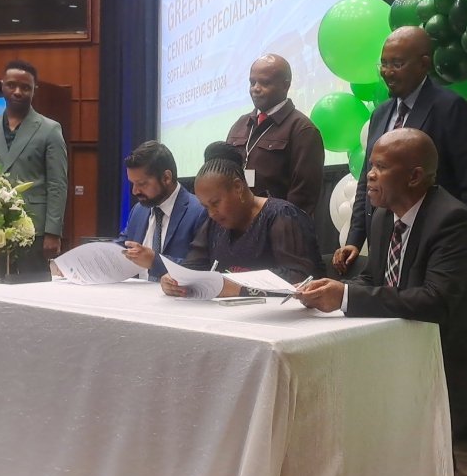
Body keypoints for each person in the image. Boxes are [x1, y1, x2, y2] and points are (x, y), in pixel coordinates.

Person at [295, 129, 467, 431]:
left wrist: (345, 297)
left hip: (444, 359)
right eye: (370, 167)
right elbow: (373, 277)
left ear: (414, 177)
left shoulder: (451, 219)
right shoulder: (382, 216)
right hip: (396, 346)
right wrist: (334, 290)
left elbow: (435, 301)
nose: (370, 177)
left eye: (380, 167)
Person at [335, 26, 467, 274]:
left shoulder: (450, 109)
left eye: (397, 64)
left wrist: (463, 246)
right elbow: (367, 180)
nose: (387, 72)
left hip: (437, 249)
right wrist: (355, 239)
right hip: (388, 249)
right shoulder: (380, 114)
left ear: (423, 64)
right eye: (384, 64)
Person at [159, 152, 325, 298]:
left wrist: (237, 287)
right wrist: (175, 280)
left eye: (215, 203)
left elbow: (301, 277)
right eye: (205, 207)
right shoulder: (213, 223)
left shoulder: (282, 216)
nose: (211, 213)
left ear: (238, 187)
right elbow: (195, 264)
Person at [0, 59, 68, 274]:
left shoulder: (50, 129)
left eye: (25, 87)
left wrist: (53, 233)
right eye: (11, 85)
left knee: (32, 293)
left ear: (35, 90)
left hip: (33, 227)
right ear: (2, 85)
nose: (18, 91)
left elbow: (57, 184)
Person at [224, 54, 324, 215]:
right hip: (236, 227)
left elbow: (302, 197)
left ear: (285, 85)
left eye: (264, 82)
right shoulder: (240, 125)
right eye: (252, 82)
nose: (255, 88)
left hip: (276, 231)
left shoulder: (302, 130)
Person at [119, 141, 207, 280]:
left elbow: (200, 268)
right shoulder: (139, 210)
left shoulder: (200, 211)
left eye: (142, 184)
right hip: (135, 296)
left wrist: (155, 261)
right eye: (133, 184)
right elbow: (124, 244)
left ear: (166, 178)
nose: (135, 191)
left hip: (178, 299)